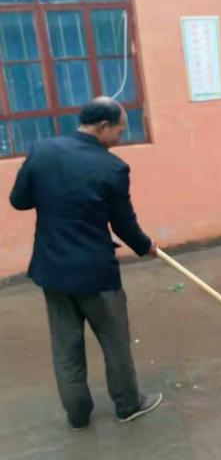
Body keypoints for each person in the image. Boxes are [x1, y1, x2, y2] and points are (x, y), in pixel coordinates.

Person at [9, 97, 162, 431]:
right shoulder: (112, 168)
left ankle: (77, 415)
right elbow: (123, 224)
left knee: (66, 348)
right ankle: (128, 405)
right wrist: (145, 245)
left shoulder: (42, 151)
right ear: (103, 126)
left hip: (52, 271)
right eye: (120, 129)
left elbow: (18, 201)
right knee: (115, 342)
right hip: (96, 275)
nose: (121, 136)